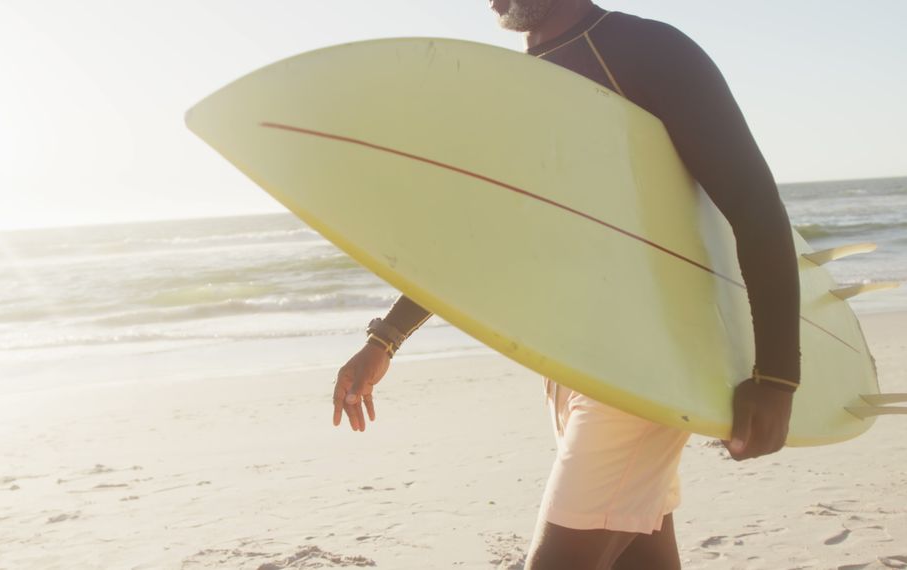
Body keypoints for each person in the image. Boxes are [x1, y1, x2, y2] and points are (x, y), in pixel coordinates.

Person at [331, 1, 801, 568]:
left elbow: (754, 205)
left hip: (643, 364)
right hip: (569, 367)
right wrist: (385, 337)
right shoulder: (517, 86)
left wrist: (776, 377)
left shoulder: (646, 50)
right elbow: (485, 237)